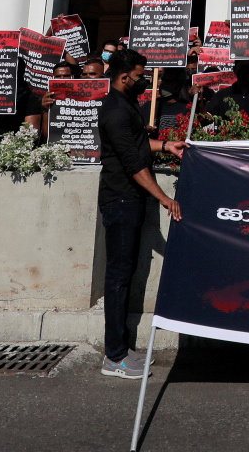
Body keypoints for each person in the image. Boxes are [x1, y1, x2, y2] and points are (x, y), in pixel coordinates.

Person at [97, 49, 184, 379]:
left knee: (126, 273)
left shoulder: (124, 106)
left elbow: (137, 146)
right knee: (118, 278)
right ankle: (115, 357)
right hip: (120, 201)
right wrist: (164, 198)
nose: (144, 82)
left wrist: (166, 146)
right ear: (124, 78)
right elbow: (133, 163)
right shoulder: (115, 112)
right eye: (140, 77)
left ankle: (121, 348)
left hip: (129, 200)